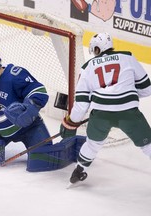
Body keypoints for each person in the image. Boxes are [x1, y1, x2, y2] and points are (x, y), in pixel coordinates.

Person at [59, 32, 151, 185]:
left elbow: (81, 104)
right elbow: (147, 89)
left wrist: (70, 123)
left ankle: (79, 170)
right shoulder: (127, 57)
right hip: (129, 112)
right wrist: (127, 96)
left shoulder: (87, 67)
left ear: (95, 49)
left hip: (100, 115)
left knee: (92, 144)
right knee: (148, 145)